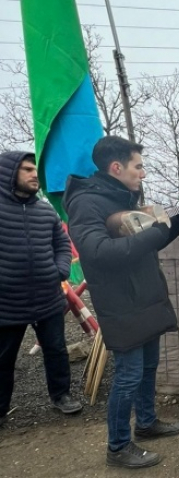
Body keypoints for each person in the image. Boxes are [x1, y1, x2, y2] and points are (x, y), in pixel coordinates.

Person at [63, 136, 179, 468]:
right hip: (121, 303)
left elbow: (146, 241)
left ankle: (148, 423)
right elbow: (98, 254)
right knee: (128, 375)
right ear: (116, 167)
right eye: (138, 166)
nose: (143, 173)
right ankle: (118, 446)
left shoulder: (122, 197)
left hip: (144, 297)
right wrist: (153, 233)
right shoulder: (87, 203)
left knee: (149, 367)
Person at [0, 152, 83, 428]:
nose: (34, 174)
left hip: (47, 298)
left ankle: (61, 395)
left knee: (56, 350)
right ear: (9, 173)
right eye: (26, 169)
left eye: (35, 169)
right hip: (7, 302)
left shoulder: (45, 210)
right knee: (3, 358)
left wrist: (59, 270)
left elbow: (62, 243)